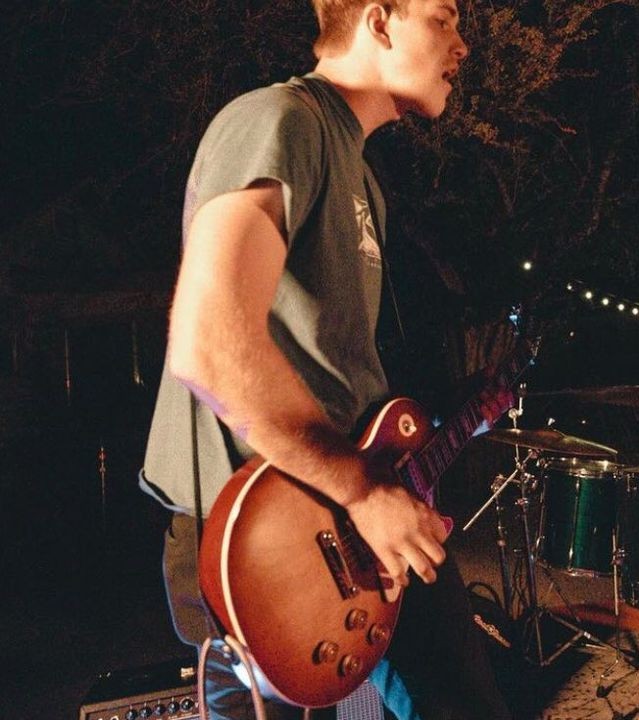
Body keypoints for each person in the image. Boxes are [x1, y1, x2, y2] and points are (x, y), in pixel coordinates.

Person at [139, 1, 511, 718]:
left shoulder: (360, 173)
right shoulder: (279, 120)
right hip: (267, 541)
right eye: (443, 18)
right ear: (378, 20)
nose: (463, 45)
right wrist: (364, 492)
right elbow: (208, 341)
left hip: (345, 516)